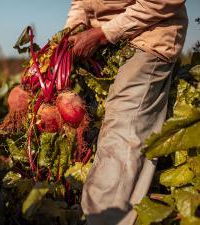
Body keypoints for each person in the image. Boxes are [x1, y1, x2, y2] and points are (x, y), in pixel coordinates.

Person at [65, 1, 188, 224]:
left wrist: (104, 33)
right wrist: (71, 31)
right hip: (103, 46)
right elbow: (80, 3)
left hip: (147, 37)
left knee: (120, 137)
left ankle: (106, 218)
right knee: (99, 135)